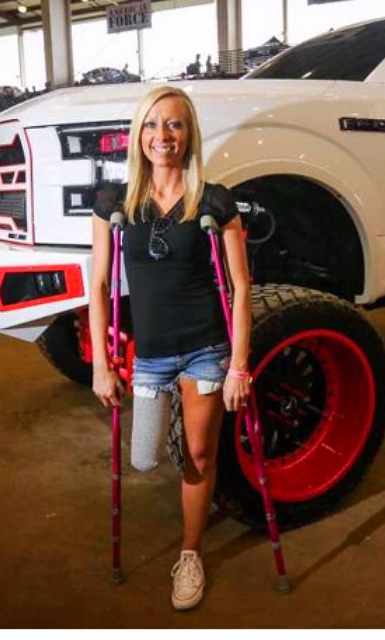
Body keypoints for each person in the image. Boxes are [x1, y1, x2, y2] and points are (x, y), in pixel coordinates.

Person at [89, 85, 252, 611]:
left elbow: (241, 287)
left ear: (189, 135)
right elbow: (96, 287)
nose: (164, 135)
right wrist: (102, 366)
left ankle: (190, 553)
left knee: (199, 454)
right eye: (154, 124)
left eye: (175, 125)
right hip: (152, 357)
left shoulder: (213, 199)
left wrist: (239, 367)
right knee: (142, 460)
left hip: (206, 346)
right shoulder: (115, 204)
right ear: (139, 134)